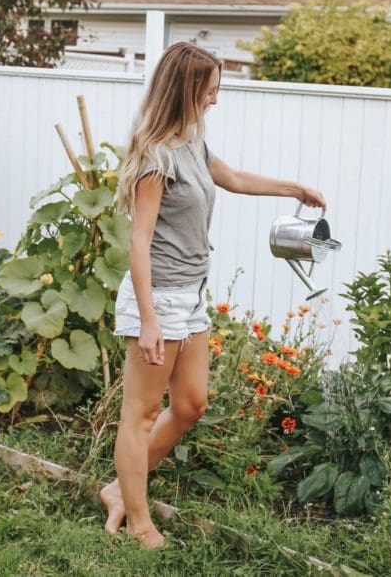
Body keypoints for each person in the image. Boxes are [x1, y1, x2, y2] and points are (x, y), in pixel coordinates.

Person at [99, 42, 326, 549]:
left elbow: (236, 178)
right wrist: (151, 321)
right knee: (138, 414)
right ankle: (139, 520)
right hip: (155, 298)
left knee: (191, 404)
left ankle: (120, 488)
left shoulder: (193, 146)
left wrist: (295, 189)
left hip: (192, 296)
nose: (216, 100)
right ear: (187, 90)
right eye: (211, 90)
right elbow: (138, 241)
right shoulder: (157, 158)